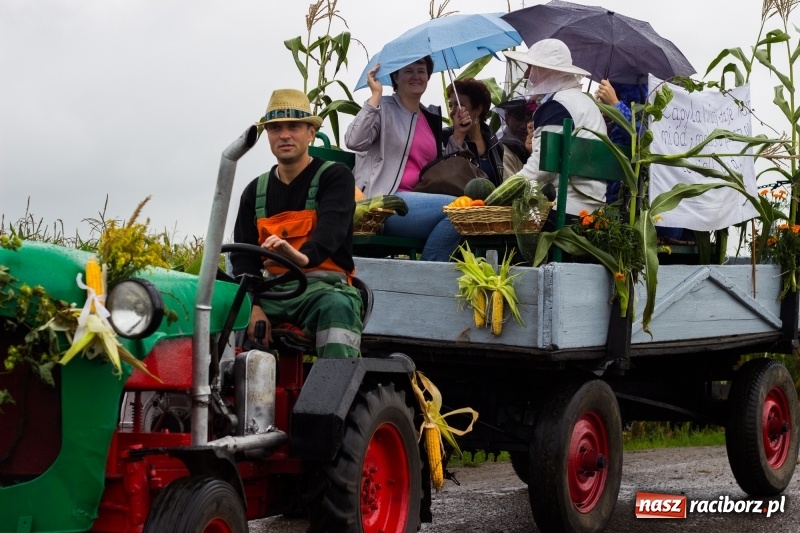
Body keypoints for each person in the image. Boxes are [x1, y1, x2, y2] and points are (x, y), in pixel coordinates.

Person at [230, 88, 362, 359]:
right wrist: (253, 306)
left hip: (323, 289)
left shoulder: (335, 177)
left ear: (311, 132)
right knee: (223, 311)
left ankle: (335, 380)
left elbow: (330, 233)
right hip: (273, 293)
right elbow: (243, 258)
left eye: (294, 126)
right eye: (276, 128)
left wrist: (300, 257)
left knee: (337, 307)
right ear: (268, 135)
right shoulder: (254, 191)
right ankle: (227, 381)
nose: (284, 135)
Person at [344, 56, 472, 262]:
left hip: (419, 201)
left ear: (428, 76)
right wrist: (375, 96)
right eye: (408, 71)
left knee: (466, 213)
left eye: (421, 71)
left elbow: (438, 168)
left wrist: (458, 134)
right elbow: (354, 141)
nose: (416, 76)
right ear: (396, 77)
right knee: (458, 210)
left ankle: (425, 271)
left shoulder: (429, 117)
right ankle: (426, 276)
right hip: (384, 204)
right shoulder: (383, 108)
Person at [504, 39, 608, 230]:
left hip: (564, 209)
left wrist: (498, 195)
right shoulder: (586, 103)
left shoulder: (557, 105)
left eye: (532, 67)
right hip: (593, 209)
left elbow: (540, 169)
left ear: (548, 70)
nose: (527, 74)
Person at [595, 79, 689, 243]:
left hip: (648, 214)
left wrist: (616, 105)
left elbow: (646, 137)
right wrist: (606, 113)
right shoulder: (641, 89)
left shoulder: (655, 97)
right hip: (621, 206)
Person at [442, 78, 506, 185]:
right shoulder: (443, 137)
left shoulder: (495, 144)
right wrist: (458, 135)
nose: (453, 111)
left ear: (478, 110)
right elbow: (443, 174)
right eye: (451, 106)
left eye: (459, 105)